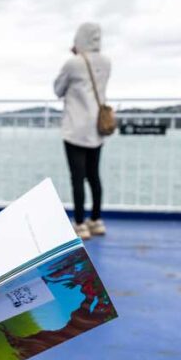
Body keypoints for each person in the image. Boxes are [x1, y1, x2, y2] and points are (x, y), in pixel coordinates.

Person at [55, 22, 111, 240]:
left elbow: (58, 89)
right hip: (97, 129)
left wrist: (76, 54)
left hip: (75, 129)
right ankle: (96, 220)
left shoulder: (73, 63)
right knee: (94, 175)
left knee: (77, 177)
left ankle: (79, 223)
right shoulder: (107, 62)